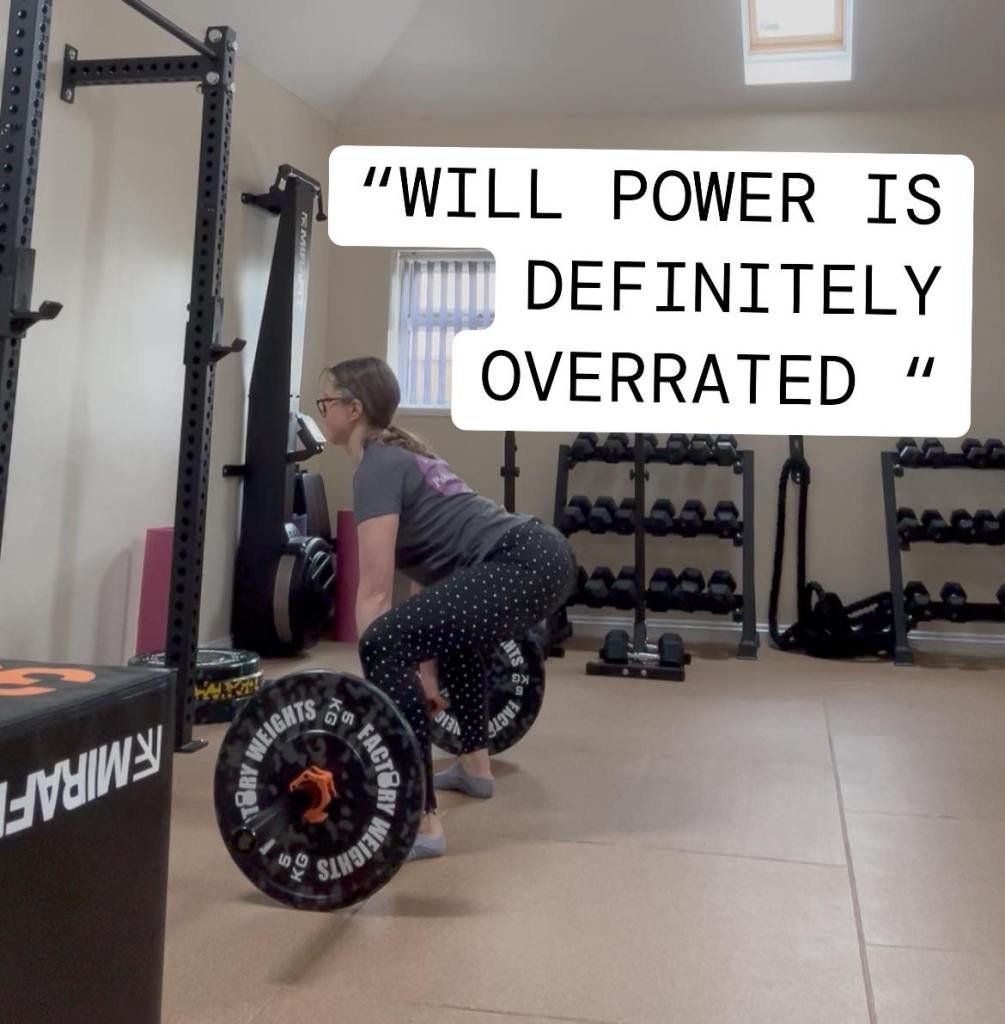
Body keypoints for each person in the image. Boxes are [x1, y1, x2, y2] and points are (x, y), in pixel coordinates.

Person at [316, 356, 577, 860]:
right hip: (543, 556)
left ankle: (421, 821)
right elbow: (434, 581)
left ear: (354, 409)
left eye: (325, 402)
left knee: (384, 642)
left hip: (520, 560)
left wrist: (381, 684)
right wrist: (425, 672)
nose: (321, 412)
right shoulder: (405, 456)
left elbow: (374, 593)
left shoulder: (376, 469)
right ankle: (476, 767)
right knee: (448, 637)